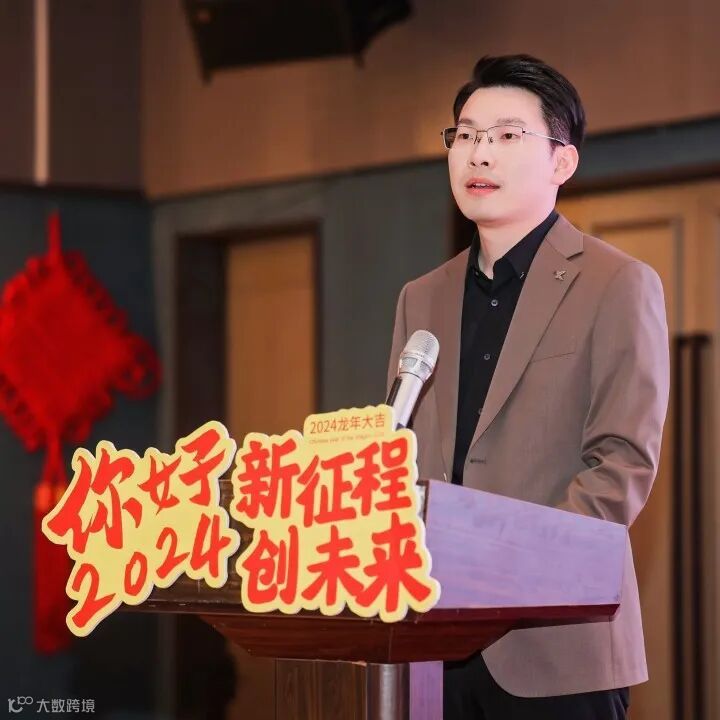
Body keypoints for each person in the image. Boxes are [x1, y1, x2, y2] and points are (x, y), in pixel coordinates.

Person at [386, 54, 670, 720]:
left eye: (507, 135)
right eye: (465, 135)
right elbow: (398, 458)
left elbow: (621, 463)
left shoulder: (617, 283)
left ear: (561, 162)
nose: (478, 153)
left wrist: (506, 567)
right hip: (430, 643)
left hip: (557, 644)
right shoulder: (420, 297)